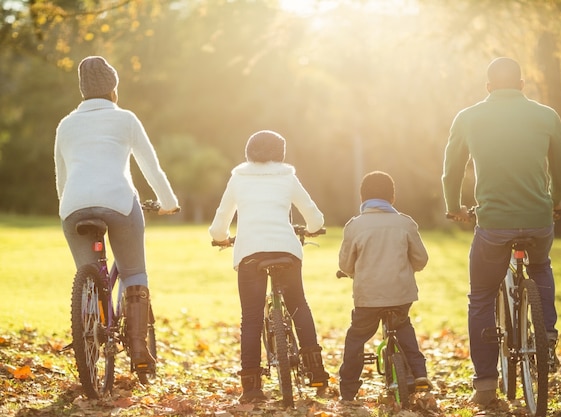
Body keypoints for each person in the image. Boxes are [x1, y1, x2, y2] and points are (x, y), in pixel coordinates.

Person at [442, 57, 561, 406]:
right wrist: (555, 200)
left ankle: (484, 384)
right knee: (541, 266)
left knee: (481, 296)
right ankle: (546, 336)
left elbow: (451, 169)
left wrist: (454, 206)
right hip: (538, 218)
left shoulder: (468, 117)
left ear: (488, 87)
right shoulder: (547, 115)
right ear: (522, 84)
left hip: (493, 223)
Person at [55, 56, 180, 375]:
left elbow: (61, 179)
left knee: (87, 271)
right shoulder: (125, 119)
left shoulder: (66, 124)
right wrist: (168, 202)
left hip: (73, 207)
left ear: (82, 91)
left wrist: (70, 207)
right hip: (119, 203)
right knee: (134, 271)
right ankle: (138, 348)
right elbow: (151, 168)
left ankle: (88, 336)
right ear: (113, 88)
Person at [209, 130, 330, 403]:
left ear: (248, 152)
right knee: (299, 306)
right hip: (286, 249)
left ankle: (251, 387)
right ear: (281, 153)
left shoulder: (238, 179)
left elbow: (219, 224)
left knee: (251, 318)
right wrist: (311, 230)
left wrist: (221, 239)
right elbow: (315, 217)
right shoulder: (287, 177)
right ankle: (316, 371)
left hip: (250, 253)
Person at [338, 171, 432, 402]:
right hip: (400, 295)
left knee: (357, 338)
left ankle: (348, 388)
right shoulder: (405, 223)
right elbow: (421, 259)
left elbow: (345, 263)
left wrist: (351, 273)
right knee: (403, 328)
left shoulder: (355, 226)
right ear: (392, 197)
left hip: (368, 298)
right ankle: (419, 373)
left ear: (363, 198)